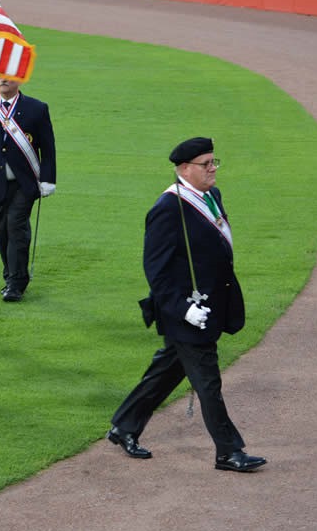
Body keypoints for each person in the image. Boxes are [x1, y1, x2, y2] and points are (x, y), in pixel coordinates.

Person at [107, 137, 267, 472]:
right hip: (185, 313)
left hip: (209, 306)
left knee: (166, 371)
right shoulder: (167, 209)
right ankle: (228, 451)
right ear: (184, 169)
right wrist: (184, 310)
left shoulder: (212, 196)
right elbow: (156, 270)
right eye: (205, 164)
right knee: (208, 382)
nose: (213, 169)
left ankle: (125, 426)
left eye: (214, 162)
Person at [0, 77, 56, 302]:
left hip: (25, 182)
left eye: (9, 75)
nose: (4, 79)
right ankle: (11, 274)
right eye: (0, 75)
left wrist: (48, 179)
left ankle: (16, 282)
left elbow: (47, 147)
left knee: (16, 224)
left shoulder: (37, 108)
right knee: (1, 228)